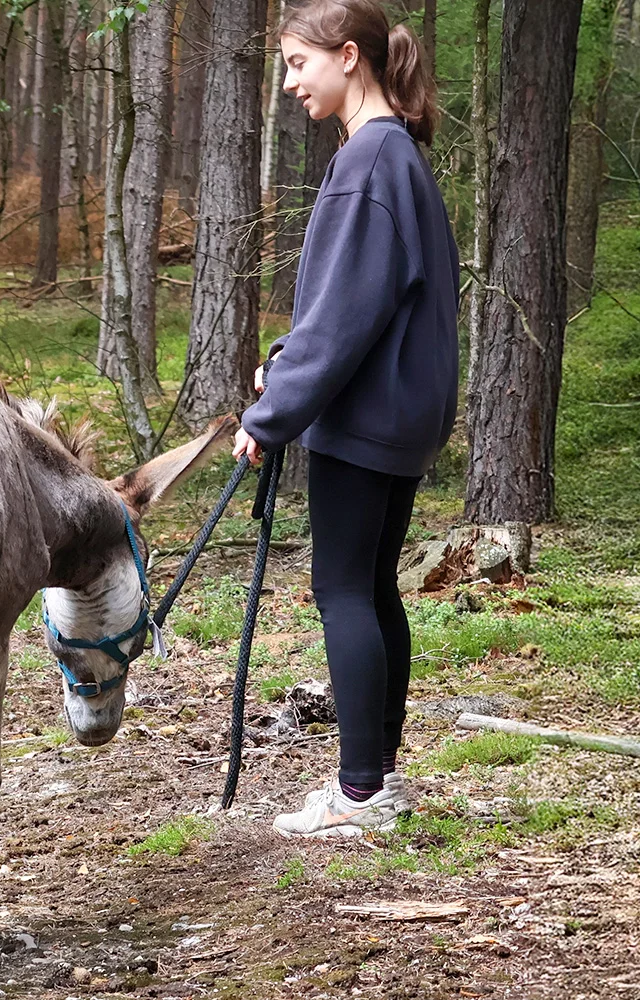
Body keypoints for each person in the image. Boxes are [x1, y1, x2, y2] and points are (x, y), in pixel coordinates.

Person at [235, 0, 457, 838]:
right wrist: (291, 357)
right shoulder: (394, 153)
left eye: (299, 63)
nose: (291, 82)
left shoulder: (370, 160)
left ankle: (361, 795)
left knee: (342, 592)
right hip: (398, 413)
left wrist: (275, 410)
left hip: (364, 419)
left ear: (350, 57)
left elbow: (347, 317)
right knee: (370, 589)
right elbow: (356, 302)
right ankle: (377, 783)